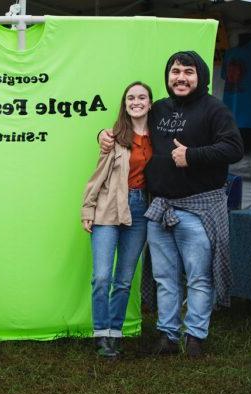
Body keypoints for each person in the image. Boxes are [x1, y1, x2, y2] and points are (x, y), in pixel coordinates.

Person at [100, 51, 243, 357]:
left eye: (188, 72)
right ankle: (167, 335)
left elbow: (234, 147)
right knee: (164, 276)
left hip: (199, 208)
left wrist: (192, 155)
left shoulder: (214, 109)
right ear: (168, 76)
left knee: (199, 276)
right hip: (160, 207)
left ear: (200, 76)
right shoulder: (159, 109)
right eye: (175, 71)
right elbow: (131, 120)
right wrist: (105, 134)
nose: (181, 77)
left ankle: (194, 337)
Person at [82, 82, 152, 358]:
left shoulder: (158, 138)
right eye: (131, 98)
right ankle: (101, 334)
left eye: (142, 97)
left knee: (124, 280)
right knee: (102, 277)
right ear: (125, 104)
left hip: (140, 211)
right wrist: (87, 210)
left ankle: (114, 334)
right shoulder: (114, 138)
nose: (136, 102)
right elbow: (96, 177)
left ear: (150, 103)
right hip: (108, 210)